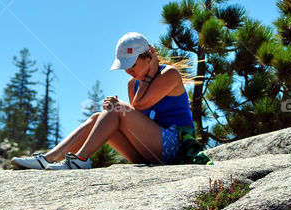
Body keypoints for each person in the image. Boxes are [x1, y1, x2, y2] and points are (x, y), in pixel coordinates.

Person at [11, 32, 207, 170]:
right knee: (98, 117)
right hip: (150, 152)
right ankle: (47, 159)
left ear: (148, 57)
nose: (128, 71)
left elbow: (139, 106)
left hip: (177, 148)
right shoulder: (133, 85)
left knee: (119, 108)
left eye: (132, 65)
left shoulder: (169, 74)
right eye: (125, 67)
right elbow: (137, 117)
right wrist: (112, 111)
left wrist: (150, 74)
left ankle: (80, 159)